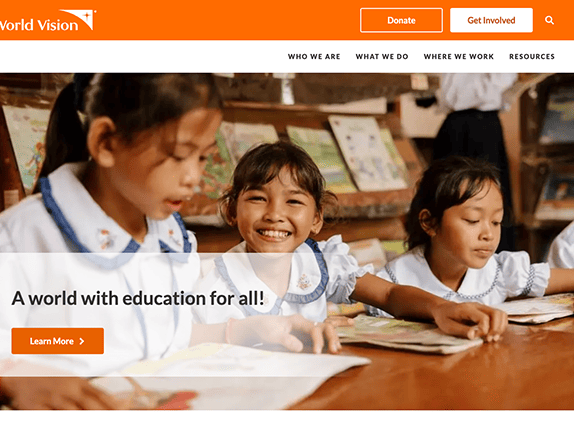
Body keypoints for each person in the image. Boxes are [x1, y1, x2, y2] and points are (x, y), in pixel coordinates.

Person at [0, 74, 338, 409]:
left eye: (203, 157)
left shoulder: (167, 238)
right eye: (179, 157)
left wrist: (246, 329)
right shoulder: (22, 241)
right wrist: (13, 379)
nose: (194, 177)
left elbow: (157, 338)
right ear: (106, 142)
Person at [193, 142, 508, 341]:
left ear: (317, 218)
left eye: (294, 202)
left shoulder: (320, 262)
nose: (275, 214)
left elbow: (388, 293)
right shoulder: (215, 283)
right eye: (258, 198)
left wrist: (441, 308)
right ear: (232, 210)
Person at [369, 156, 574, 317]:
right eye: (472, 220)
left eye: (496, 222)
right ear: (429, 222)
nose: (488, 235)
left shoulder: (501, 271)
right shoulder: (393, 280)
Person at [432, 73, 518, 252]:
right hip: (475, 126)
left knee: (464, 197)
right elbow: (505, 79)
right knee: (477, 196)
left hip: (464, 124)